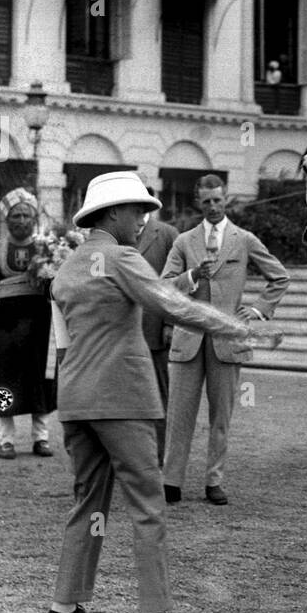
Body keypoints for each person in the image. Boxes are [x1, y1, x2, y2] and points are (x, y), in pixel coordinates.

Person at [45, 171, 275, 613]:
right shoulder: (121, 258)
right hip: (122, 399)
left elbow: (63, 344)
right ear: (112, 214)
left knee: (88, 503)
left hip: (76, 400)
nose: (145, 218)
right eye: (137, 209)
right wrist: (237, 329)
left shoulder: (69, 267)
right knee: (148, 507)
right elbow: (173, 304)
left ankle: (64, 606)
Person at [161, 174, 288, 505]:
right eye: (206, 202)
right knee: (179, 416)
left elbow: (279, 276)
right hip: (187, 340)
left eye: (218, 200)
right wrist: (191, 276)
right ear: (198, 203)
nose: (213, 207)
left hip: (227, 340)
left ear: (226, 199)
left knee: (222, 416)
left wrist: (258, 310)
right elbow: (163, 287)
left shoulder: (243, 239)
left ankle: (213, 481)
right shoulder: (184, 241)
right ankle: (171, 481)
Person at [0, 188, 57, 459]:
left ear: (34, 218)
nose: (22, 221)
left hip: (40, 323)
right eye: (16, 216)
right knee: (5, 379)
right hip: (7, 326)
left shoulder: (48, 248)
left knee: (40, 379)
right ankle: (6, 440)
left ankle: (41, 437)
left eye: (27, 215)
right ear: (6, 219)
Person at [135, 192, 179, 465]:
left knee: (159, 396)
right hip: (121, 331)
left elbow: (174, 282)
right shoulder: (115, 234)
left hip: (154, 329)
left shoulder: (167, 234)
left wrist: (170, 322)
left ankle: (158, 457)